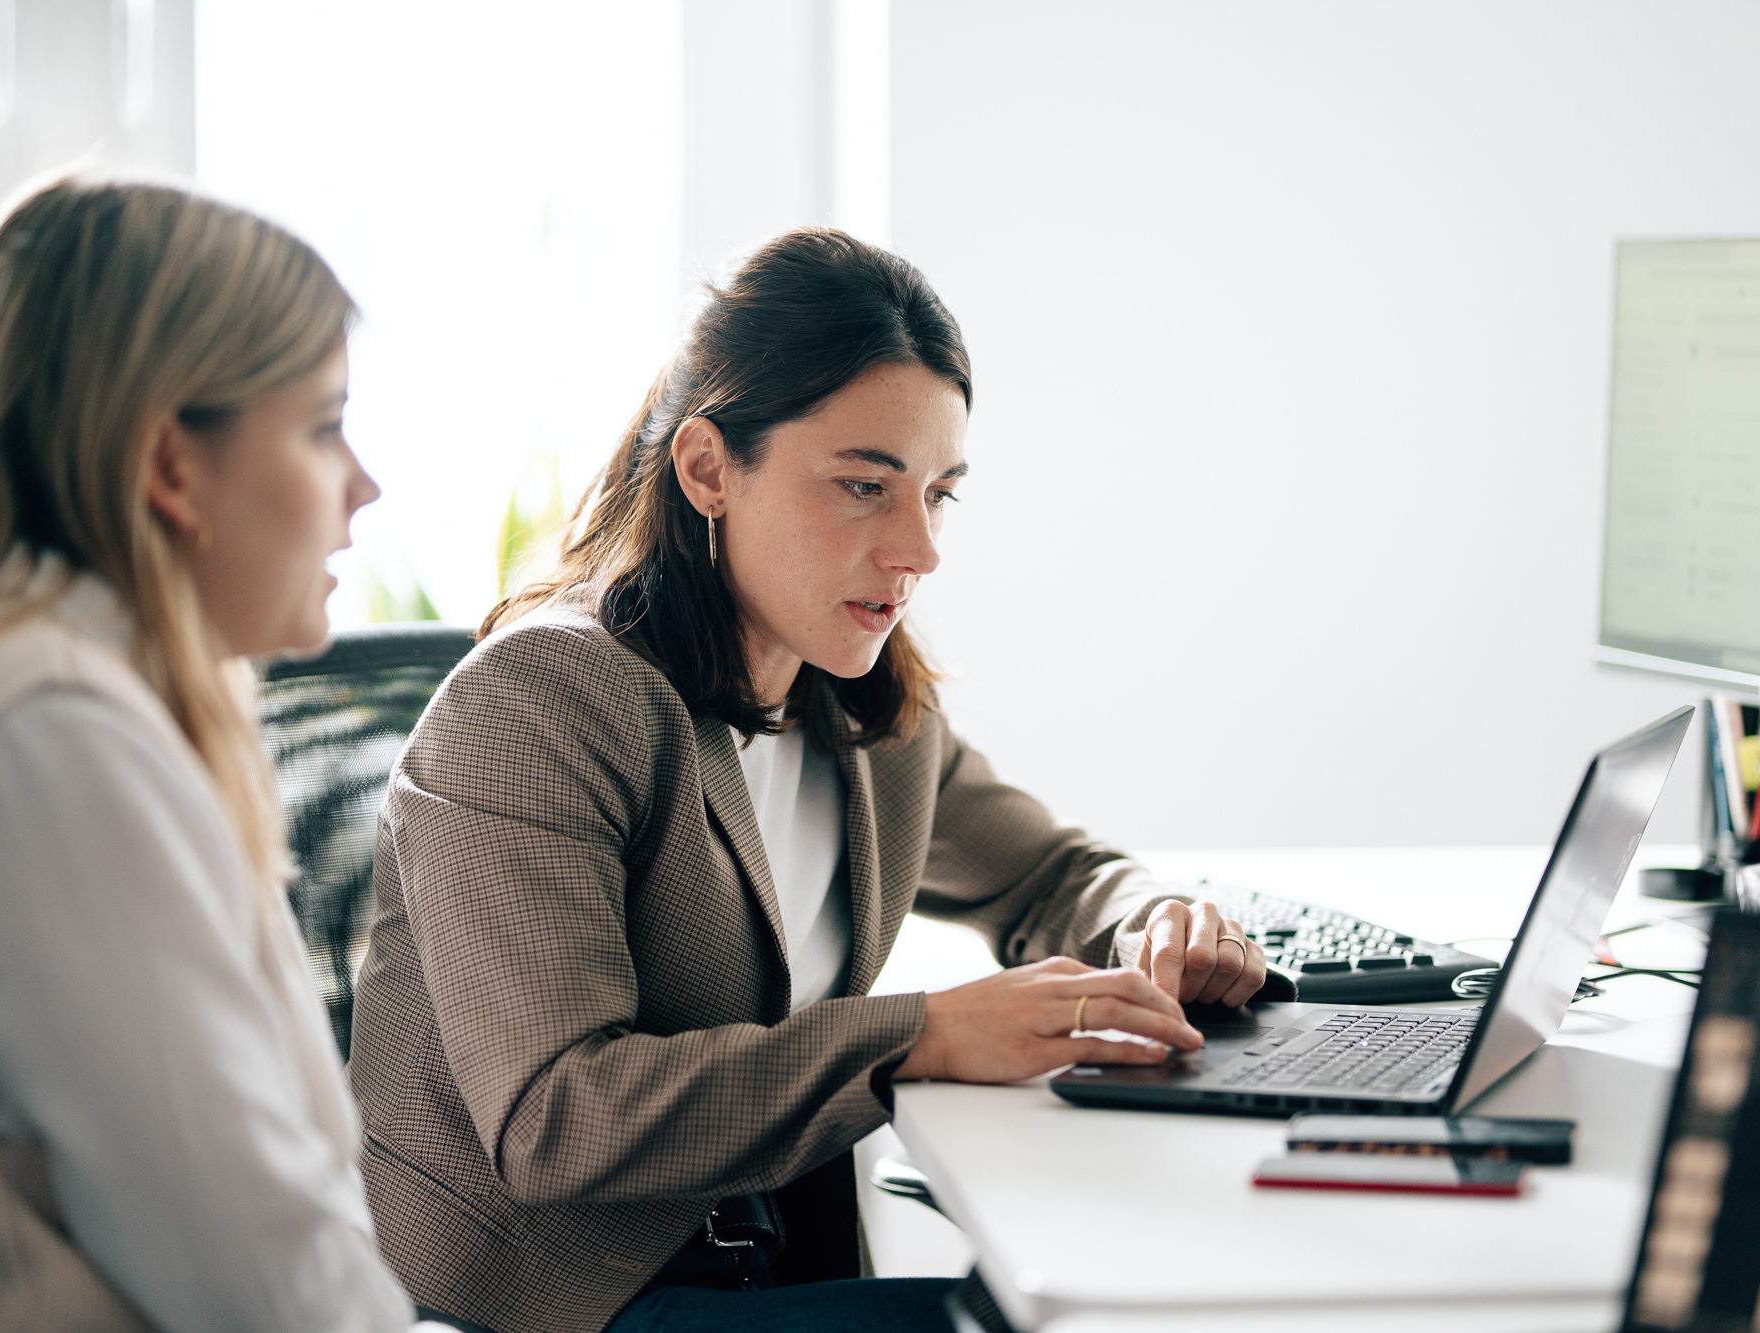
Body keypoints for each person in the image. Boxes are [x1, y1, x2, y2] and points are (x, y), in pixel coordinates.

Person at [347, 228, 1284, 1333]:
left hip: (760, 1251)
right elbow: (557, 1117)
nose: (918, 548)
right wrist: (920, 1034)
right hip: (562, 1298)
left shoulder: (856, 698)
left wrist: (1152, 922)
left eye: (938, 493)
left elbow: (1049, 875)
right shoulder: (542, 700)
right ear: (706, 470)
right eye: (861, 485)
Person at [0, 177, 419, 1331]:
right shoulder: (46, 742)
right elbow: (259, 1281)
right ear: (171, 467)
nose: (362, 487)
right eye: (323, 427)